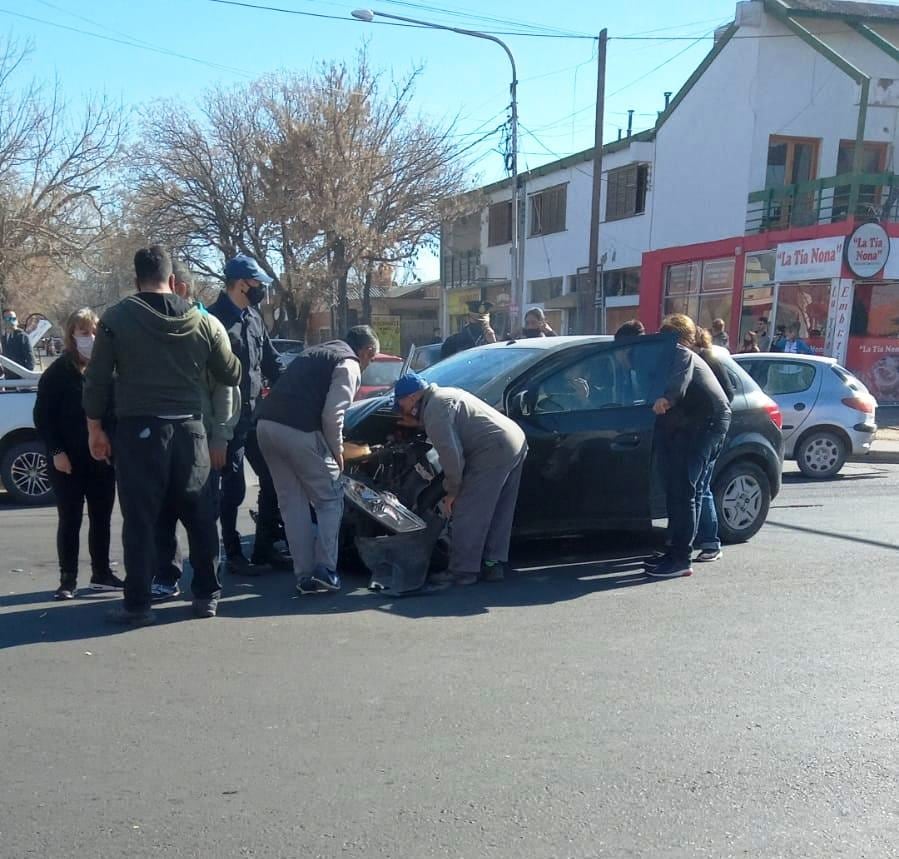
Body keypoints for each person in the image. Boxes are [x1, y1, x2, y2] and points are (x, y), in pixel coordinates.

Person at [83, 245, 242, 625]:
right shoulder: (201, 321)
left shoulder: (116, 319)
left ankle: (137, 605)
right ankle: (206, 596)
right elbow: (231, 373)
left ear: (136, 280)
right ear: (173, 281)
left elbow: (97, 381)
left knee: (140, 522)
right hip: (191, 430)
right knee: (201, 516)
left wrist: (95, 430)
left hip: (138, 431)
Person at [256, 326, 380, 594]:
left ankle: (304, 576)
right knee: (330, 499)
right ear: (367, 351)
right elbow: (332, 416)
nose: (369, 364)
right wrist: (337, 453)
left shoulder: (317, 352)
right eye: (372, 359)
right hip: (299, 431)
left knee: (293, 505)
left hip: (266, 427)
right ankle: (326, 570)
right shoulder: (349, 364)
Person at [151, 262, 243, 602]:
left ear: (180, 289)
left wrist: (220, 436)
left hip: (202, 440)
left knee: (202, 515)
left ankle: (206, 586)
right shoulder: (151, 332)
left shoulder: (207, 327)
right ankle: (166, 574)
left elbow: (226, 388)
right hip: (159, 439)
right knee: (163, 511)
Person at [393, 373, 528, 587]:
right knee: (499, 510)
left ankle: (462, 571)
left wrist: (452, 491)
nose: (401, 408)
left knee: (468, 509)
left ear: (411, 397)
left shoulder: (435, 410)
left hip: (491, 450)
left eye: (401, 402)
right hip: (514, 440)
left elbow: (452, 457)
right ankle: (493, 565)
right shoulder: (445, 395)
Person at [33, 308, 122, 600]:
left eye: (94, 332)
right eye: (84, 332)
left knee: (101, 518)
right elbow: (43, 418)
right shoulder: (58, 373)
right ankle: (67, 579)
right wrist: (57, 451)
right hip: (67, 461)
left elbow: (113, 412)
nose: (90, 337)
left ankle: (102, 574)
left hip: (101, 459)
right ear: (72, 335)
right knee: (70, 519)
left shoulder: (105, 371)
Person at [208, 254, 285, 575]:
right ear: (241, 284)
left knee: (273, 478)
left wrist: (297, 384)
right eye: (257, 285)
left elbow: (271, 362)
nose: (261, 291)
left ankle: (264, 550)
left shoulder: (253, 317)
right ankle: (233, 553)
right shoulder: (213, 320)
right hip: (226, 420)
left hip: (255, 416)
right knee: (232, 489)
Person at [645, 314, 731, 579]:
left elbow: (678, 384)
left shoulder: (681, 352)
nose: (660, 338)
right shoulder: (670, 354)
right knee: (676, 490)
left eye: (664, 333)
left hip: (706, 424)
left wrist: (666, 399)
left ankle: (681, 559)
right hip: (690, 425)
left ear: (674, 336)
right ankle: (674, 551)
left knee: (684, 491)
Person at [690, 326, 735, 564]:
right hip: (712, 428)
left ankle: (709, 541)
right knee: (700, 487)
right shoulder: (707, 358)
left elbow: (727, 394)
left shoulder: (706, 360)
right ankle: (701, 538)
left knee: (700, 487)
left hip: (710, 429)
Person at [1, 308, 35, 375]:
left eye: (14, 318)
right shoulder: (3, 338)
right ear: (3, 321)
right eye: (9, 319)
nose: (12, 321)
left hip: (20, 378)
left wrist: (26, 376)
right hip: (7, 378)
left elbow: (31, 360)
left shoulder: (22, 336)